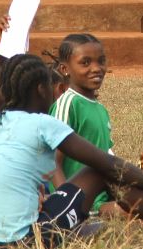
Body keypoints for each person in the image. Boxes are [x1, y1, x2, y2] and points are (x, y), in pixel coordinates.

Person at [0, 54, 143, 249]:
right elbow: (108, 164)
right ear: (41, 89)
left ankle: (77, 228)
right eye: (51, 86)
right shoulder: (43, 124)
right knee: (101, 172)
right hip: (19, 243)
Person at [47, 34, 120, 216]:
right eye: (85, 63)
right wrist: (66, 203)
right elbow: (52, 159)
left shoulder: (100, 109)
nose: (96, 68)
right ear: (65, 69)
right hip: (83, 200)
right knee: (138, 212)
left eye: (101, 61)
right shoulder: (68, 103)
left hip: (103, 193)